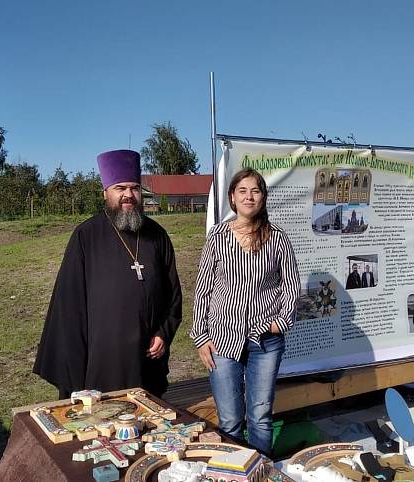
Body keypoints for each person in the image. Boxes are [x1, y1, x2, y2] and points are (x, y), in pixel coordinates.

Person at [33, 149, 183, 399]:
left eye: (134, 188)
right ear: (105, 192)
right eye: (120, 188)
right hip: (100, 363)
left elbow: (173, 295)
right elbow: (68, 308)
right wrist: (75, 373)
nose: (128, 195)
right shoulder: (86, 236)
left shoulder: (157, 236)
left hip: (147, 359)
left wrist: (163, 333)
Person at [191, 168, 299, 455]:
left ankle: (261, 470)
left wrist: (279, 323)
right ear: (232, 198)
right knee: (229, 420)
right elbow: (204, 288)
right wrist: (200, 336)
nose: (249, 197)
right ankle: (235, 471)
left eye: (255, 191)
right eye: (242, 191)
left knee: (260, 418)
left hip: (265, 342)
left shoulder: (277, 238)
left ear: (263, 197)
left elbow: (291, 285)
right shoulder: (217, 236)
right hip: (223, 340)